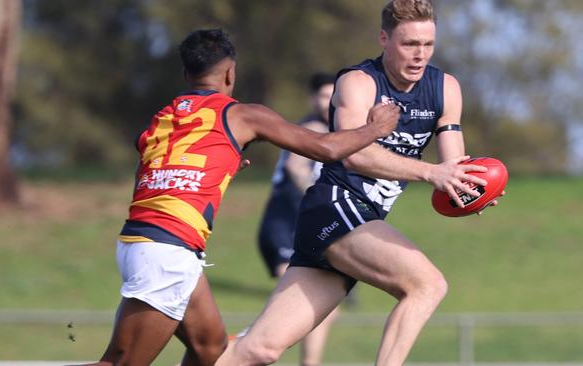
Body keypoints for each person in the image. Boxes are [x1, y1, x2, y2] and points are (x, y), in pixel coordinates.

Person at [86, 29, 399, 366]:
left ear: (185, 74)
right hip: (167, 251)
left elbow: (156, 170)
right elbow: (325, 148)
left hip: (146, 241)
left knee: (210, 348)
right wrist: (375, 129)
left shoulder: (164, 117)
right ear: (230, 73)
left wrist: (221, 165)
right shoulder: (241, 114)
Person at [214, 1, 504, 365]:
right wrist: (431, 173)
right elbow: (354, 154)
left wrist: (472, 191)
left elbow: (452, 167)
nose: (419, 55)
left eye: (428, 45)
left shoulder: (446, 88)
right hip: (334, 208)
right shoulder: (358, 82)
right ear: (384, 38)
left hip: (357, 223)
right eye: (409, 44)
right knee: (427, 285)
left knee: (259, 349)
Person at [254, 72, 339, 366]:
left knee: (324, 304)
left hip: (308, 230)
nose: (329, 103)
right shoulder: (311, 128)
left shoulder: (334, 134)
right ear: (313, 98)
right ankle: (241, 349)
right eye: (324, 96)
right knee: (297, 303)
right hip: (283, 225)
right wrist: (321, 199)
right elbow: (295, 166)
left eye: (334, 97)